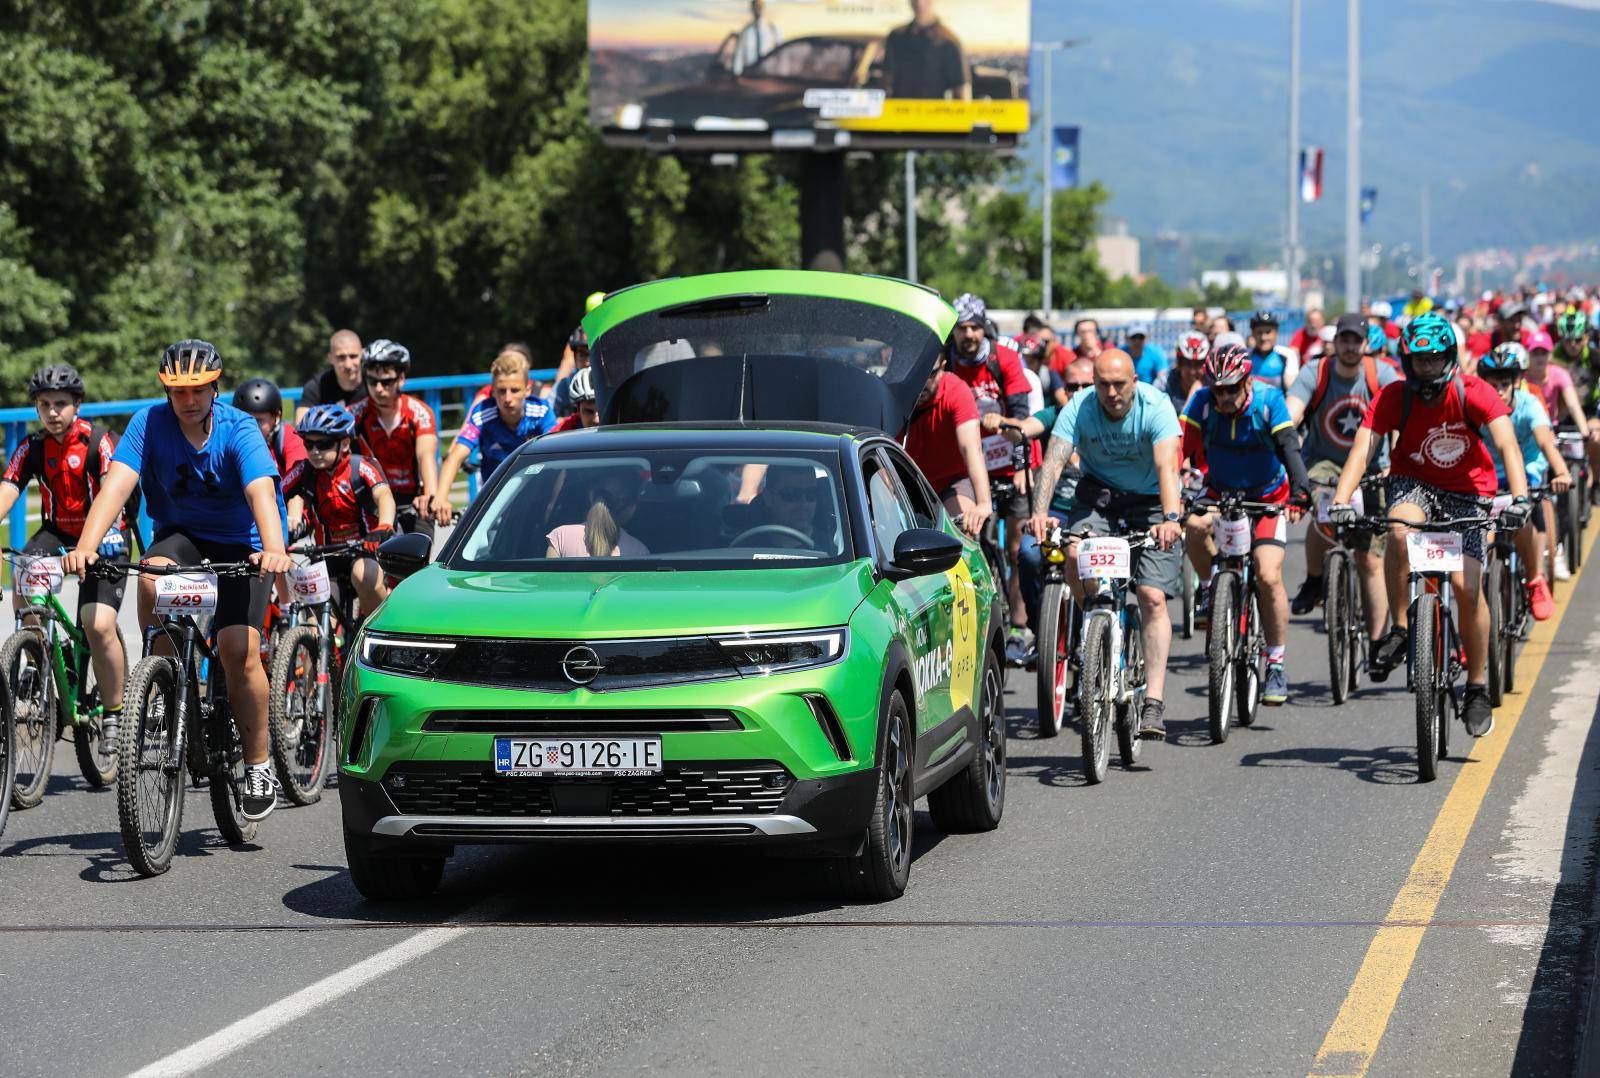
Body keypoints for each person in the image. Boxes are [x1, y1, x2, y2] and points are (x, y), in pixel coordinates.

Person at [63, 340, 292, 820]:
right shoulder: (148, 423)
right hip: (181, 534)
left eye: (197, 390)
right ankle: (163, 679)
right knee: (151, 574)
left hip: (241, 543)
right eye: (176, 391)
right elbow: (117, 484)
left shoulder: (239, 428)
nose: (187, 400)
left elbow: (261, 492)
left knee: (237, 650)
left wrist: (273, 549)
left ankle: (257, 763)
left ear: (215, 388)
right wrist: (86, 545)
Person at [1327, 313, 1531, 738]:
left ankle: (1476, 686)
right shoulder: (1393, 396)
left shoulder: (1475, 393)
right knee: (1399, 529)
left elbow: (1508, 444)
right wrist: (1341, 500)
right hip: (1414, 483)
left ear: (1449, 359)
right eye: (1418, 361)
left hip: (1470, 492)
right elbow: (1363, 450)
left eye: (1434, 360)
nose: (1426, 369)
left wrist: (1521, 497)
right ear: (1406, 361)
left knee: (1465, 588)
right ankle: (1401, 628)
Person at [1029, 348, 1184, 739]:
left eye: (1119, 384)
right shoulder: (1080, 406)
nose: (1111, 393)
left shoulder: (1156, 407)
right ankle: (1095, 627)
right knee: (1074, 554)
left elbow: (1168, 468)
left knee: (1151, 596)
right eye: (1103, 385)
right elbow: (1052, 462)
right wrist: (1040, 512)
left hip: (1151, 502)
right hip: (1099, 497)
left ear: (1134, 381)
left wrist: (1170, 519)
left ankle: (1153, 701)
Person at [0, 364, 129, 748]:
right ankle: (39, 652)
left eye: (61, 403)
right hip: (56, 533)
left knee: (98, 623)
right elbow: (8, 489)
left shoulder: (98, 442)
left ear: (77, 404)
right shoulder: (32, 447)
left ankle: (115, 714)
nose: (53, 411)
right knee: (23, 577)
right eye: (44, 405)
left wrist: (108, 533)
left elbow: (113, 492)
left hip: (102, 534)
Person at [1180, 344, 1311, 705]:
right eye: (1217, 389)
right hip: (1220, 491)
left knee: (1268, 575)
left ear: (1247, 383)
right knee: (1193, 525)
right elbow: (1179, 451)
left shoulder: (1269, 400)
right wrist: (1172, 493)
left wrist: (1302, 492)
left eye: (1231, 389)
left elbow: (1289, 447)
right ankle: (1210, 589)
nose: (1223, 397)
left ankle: (1276, 665)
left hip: (1267, 496)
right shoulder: (1202, 402)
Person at [1285, 313, 1399, 645]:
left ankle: (1378, 642)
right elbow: (1293, 410)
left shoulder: (1383, 375)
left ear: (1366, 344)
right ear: (1335, 342)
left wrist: (1396, 462)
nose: (1349, 347)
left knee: (1370, 559)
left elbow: (1400, 422)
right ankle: (1314, 579)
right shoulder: (1315, 372)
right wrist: (1284, 430)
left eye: (1356, 341)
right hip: (1324, 463)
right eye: (1344, 340)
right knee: (1322, 510)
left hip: (1372, 467)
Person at [950, 293, 1034, 658]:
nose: (968, 334)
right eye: (962, 328)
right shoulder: (947, 363)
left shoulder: (1005, 359)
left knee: (1017, 548)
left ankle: (1020, 624)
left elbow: (1021, 418)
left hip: (1008, 459)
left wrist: (1019, 466)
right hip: (969, 465)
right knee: (968, 536)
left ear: (984, 326)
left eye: (974, 327)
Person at [1476, 344, 1566, 621]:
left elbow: (1544, 441)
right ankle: (1475, 619)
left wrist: (1561, 471)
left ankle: (1535, 578)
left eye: (1505, 383)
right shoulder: (1475, 408)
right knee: (1478, 544)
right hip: (1488, 477)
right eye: (1493, 385)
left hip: (1525, 472)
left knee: (1524, 516)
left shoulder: (1530, 405)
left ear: (1516, 382)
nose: (1499, 390)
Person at [1004, 357, 1093, 638]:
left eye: (1086, 386)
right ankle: (1040, 624)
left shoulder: (1104, 419)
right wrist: (1010, 427)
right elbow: (1027, 427)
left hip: (1092, 514)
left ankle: (1096, 627)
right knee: (1029, 555)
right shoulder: (1055, 415)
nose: (1077, 393)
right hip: (1054, 512)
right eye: (1071, 386)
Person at [283, 404, 395, 618]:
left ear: (344, 443)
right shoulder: (303, 469)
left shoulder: (362, 466)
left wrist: (384, 526)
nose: (315, 451)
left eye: (323, 444)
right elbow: (273, 494)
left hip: (365, 549)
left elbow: (384, 496)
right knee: (318, 623)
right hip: (326, 553)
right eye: (309, 444)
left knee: (365, 576)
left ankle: (376, 635)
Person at [437, 350, 555, 519]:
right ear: (492, 392)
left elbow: (557, 454)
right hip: (495, 500)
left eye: (515, 390)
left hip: (537, 496)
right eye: (501, 391)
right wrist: (441, 498)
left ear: (528, 390)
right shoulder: (483, 414)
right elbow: (455, 457)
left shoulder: (542, 412)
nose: (507, 398)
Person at [349, 339, 442, 540]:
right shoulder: (354, 414)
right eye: (372, 382)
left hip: (414, 500)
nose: (379, 389)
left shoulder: (420, 413)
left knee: (416, 558)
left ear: (401, 379)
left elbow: (426, 457)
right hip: (373, 498)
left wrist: (431, 495)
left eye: (386, 382)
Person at [902, 350, 993, 536]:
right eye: (915, 375)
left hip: (953, 481)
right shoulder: (897, 394)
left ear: (942, 367)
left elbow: (971, 448)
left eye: (929, 375)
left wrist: (983, 504)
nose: (921, 383)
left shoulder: (956, 391)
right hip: (911, 482)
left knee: (961, 531)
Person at [546, 469, 649, 558]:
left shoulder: (561, 537)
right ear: (631, 508)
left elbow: (547, 580)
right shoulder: (639, 551)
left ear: (591, 495)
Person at [882, 0, 970, 101]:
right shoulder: (896, 38)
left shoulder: (948, 43)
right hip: (898, 112)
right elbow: (886, 80)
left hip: (932, 114)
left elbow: (961, 91)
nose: (920, 3)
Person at [234, 377, 304, 478]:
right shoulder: (229, 440)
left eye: (258, 420)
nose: (250, 428)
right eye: (245, 420)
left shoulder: (290, 438)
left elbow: (298, 476)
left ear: (277, 417)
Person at [295, 329, 365, 422]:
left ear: (363, 355)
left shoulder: (375, 383)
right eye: (341, 357)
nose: (348, 364)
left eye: (353, 356)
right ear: (330, 358)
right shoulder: (318, 386)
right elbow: (301, 425)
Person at [1157, 331, 1209, 414]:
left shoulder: (1213, 385)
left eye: (1198, 364)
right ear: (1179, 364)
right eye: (1187, 364)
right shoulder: (1165, 382)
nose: (1192, 372)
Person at [1247, 311, 1299, 391]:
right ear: (1253, 334)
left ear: (1276, 334)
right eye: (1259, 333)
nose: (1263, 337)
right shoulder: (1245, 356)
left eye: (1268, 332)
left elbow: (1292, 389)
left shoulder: (1287, 355)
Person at [730, 0, 782, 76]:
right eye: (755, 6)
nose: (757, 8)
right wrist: (736, 76)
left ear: (763, 8)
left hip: (768, 74)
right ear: (752, 9)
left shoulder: (773, 29)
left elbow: (780, 53)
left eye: (760, 6)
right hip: (750, 75)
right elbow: (739, 55)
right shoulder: (746, 32)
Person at [552, 328, 591, 417]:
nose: (588, 362)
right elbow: (548, 416)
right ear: (574, 358)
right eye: (582, 355)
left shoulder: (611, 384)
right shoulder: (565, 385)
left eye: (593, 354)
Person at [551, 367, 600, 433]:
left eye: (601, 411)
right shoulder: (563, 430)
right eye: (589, 411)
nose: (597, 420)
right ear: (578, 411)